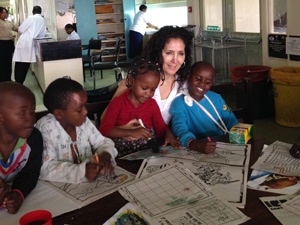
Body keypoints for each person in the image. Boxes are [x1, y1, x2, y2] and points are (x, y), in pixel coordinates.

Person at [102, 25, 194, 125]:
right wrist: (125, 130)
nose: (175, 60)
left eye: (180, 53)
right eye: (169, 53)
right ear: (157, 53)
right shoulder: (134, 81)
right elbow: (104, 119)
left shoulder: (185, 84)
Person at [35, 78, 118, 183]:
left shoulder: (84, 122)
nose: (85, 112)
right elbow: (45, 168)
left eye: (85, 106)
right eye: (79, 110)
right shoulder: (46, 128)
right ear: (59, 113)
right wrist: (82, 171)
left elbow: (103, 142)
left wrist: (105, 154)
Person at [100, 57, 180, 157]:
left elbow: (161, 128)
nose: (148, 94)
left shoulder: (152, 104)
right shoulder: (118, 103)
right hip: (121, 155)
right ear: (131, 81)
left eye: (153, 90)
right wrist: (130, 132)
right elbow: (104, 130)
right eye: (144, 88)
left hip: (146, 153)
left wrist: (168, 134)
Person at [170, 61, 239, 154]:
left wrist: (239, 134)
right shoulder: (179, 103)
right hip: (197, 146)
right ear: (188, 76)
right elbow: (179, 128)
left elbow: (231, 120)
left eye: (207, 82)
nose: (202, 84)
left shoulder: (216, 98)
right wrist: (193, 143)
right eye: (198, 79)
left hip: (220, 143)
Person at [0, 81, 43, 214]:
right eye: (22, 113)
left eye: (32, 110)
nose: (31, 118)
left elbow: (30, 172)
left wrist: (19, 193)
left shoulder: (33, 138)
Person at [13, 5, 46, 84]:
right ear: (40, 12)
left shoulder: (31, 18)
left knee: (20, 63)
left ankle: (18, 83)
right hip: (32, 43)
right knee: (26, 63)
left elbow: (20, 29)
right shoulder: (42, 20)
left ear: (33, 11)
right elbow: (43, 33)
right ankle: (21, 82)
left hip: (25, 42)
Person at [0, 7, 18, 82]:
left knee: (8, 62)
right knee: (2, 62)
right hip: (1, 44)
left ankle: (8, 79)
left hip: (9, 44)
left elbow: (17, 29)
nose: (5, 14)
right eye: (3, 13)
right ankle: (2, 80)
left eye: (6, 13)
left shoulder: (9, 22)